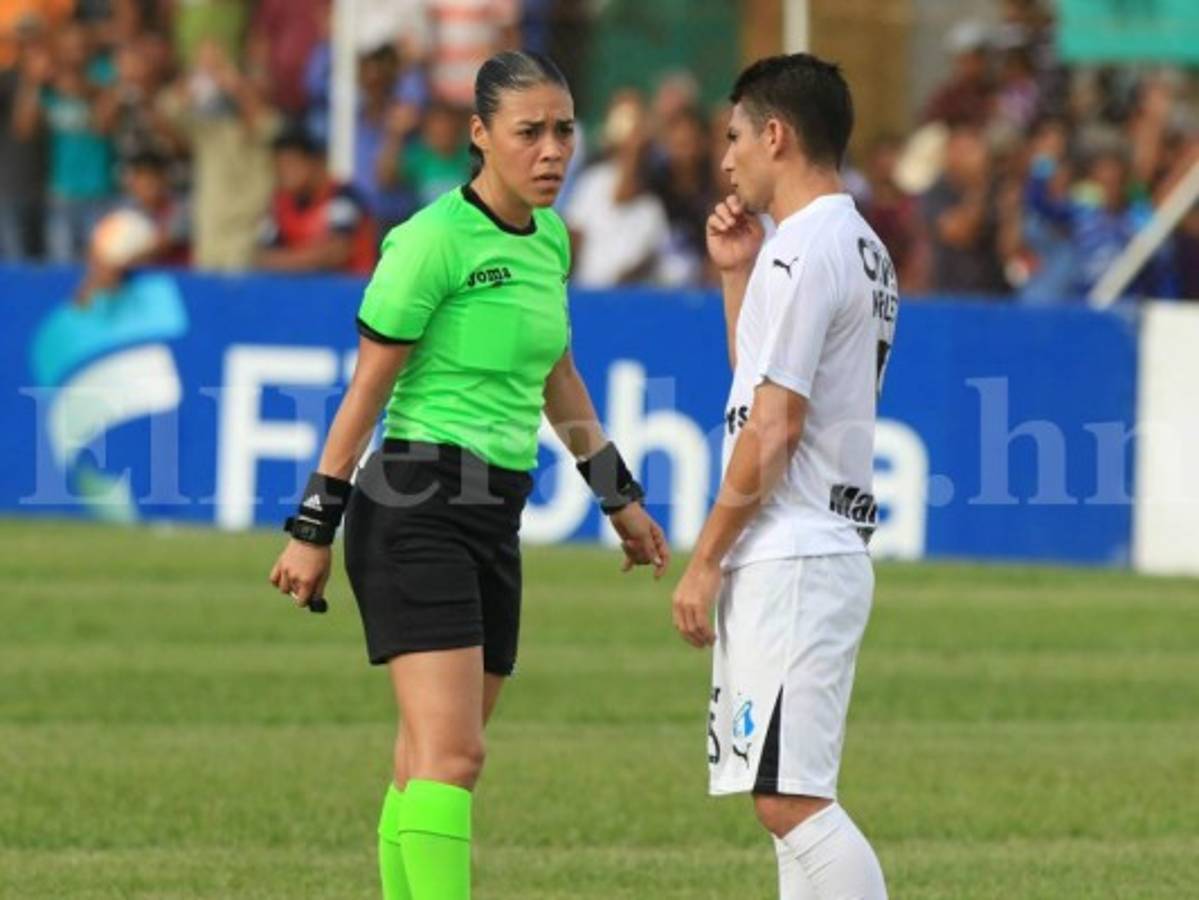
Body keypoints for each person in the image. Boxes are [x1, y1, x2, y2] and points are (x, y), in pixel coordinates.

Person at [267, 51, 669, 900]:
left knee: (426, 757)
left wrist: (618, 498)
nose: (552, 150)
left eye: (564, 130)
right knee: (454, 756)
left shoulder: (550, 239)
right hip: (415, 505)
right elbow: (365, 393)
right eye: (529, 132)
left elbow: (559, 378)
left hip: (494, 513)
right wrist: (312, 527)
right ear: (480, 135)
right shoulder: (430, 241)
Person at [670, 54, 894, 899]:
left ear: (775, 135)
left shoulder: (807, 249)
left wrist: (705, 559)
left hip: (794, 549)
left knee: (790, 801)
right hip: (807, 544)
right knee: (783, 796)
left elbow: (775, 427)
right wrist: (737, 275)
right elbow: (761, 384)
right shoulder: (851, 245)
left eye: (733, 137)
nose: (725, 159)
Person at [255, 126, 377, 275]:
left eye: (290, 164)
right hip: (301, 288)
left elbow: (337, 252)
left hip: (351, 287)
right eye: (278, 167)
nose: (284, 174)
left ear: (314, 162)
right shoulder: (280, 204)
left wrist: (287, 261)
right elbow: (263, 256)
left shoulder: (343, 197)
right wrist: (307, 258)